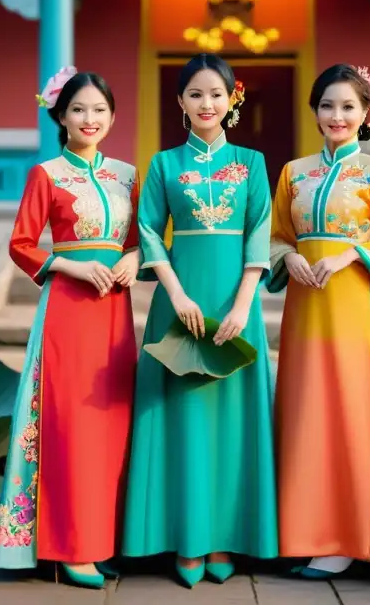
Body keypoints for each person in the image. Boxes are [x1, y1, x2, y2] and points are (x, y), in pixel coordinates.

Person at [122, 52, 278, 587]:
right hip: (178, 301)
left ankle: (227, 538)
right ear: (180, 102)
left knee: (231, 419)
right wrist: (177, 295)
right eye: (195, 94)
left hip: (237, 303)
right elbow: (146, 232)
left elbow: (260, 232)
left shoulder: (254, 163)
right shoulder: (164, 164)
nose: (205, 103)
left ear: (232, 100)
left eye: (216, 94)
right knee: (181, 415)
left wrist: (242, 304)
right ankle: (185, 540)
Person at [0, 67, 140, 589]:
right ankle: (69, 546)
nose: (90, 118)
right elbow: (21, 243)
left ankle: (101, 542)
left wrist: (135, 258)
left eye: (99, 109)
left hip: (115, 313)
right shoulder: (47, 174)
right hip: (69, 310)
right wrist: (70, 265)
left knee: (111, 425)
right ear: (60, 116)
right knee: (69, 424)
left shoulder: (126, 175)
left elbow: (140, 237)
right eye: (79, 109)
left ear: (113, 116)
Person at [270, 63, 370, 579]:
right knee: (306, 408)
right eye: (327, 106)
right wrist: (288, 258)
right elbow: (278, 234)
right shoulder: (294, 172)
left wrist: (350, 255)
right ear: (314, 112)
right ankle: (303, 532)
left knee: (348, 409)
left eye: (348, 106)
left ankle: (347, 536)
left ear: (364, 113)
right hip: (304, 306)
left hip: (350, 303)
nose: (337, 115)